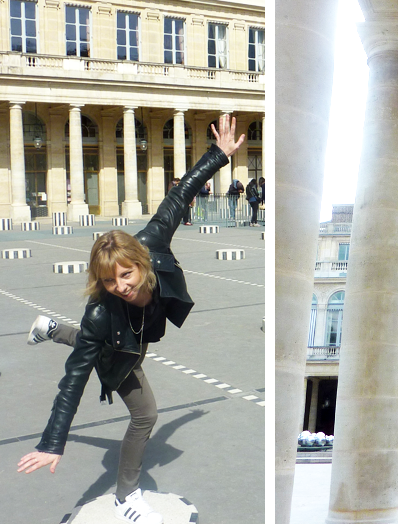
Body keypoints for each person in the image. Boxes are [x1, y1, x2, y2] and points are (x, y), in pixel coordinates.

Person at [17, 115, 245, 524]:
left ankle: (50, 328)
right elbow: (73, 380)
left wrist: (219, 154)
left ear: (140, 261)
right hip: (120, 352)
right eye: (109, 280)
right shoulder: (100, 311)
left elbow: (181, 193)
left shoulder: (152, 240)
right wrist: (53, 442)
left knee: (97, 341)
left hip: (129, 338)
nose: (120, 285)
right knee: (144, 413)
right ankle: (126, 497)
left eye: (126, 275)